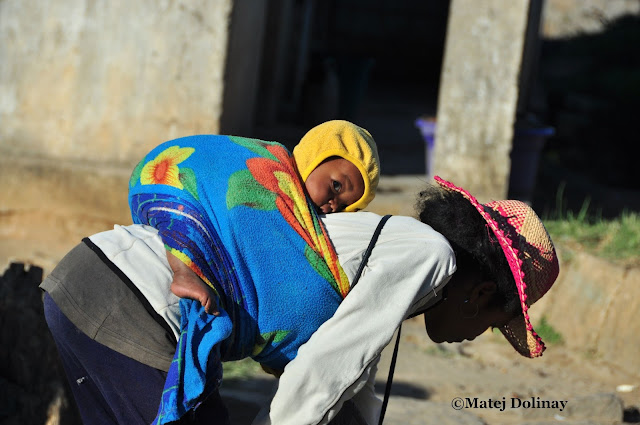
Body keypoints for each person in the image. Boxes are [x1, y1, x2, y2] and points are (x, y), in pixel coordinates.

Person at [41, 175, 559, 425]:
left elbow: (352, 379)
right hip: (136, 299)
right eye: (494, 323)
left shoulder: (399, 248)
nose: (477, 336)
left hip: (89, 276)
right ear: (482, 294)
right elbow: (323, 371)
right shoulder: (428, 255)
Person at [167, 120, 380, 314]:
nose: (333, 205)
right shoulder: (272, 169)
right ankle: (183, 272)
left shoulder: (306, 221)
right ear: (316, 157)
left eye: (344, 206)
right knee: (188, 219)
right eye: (336, 186)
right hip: (182, 180)